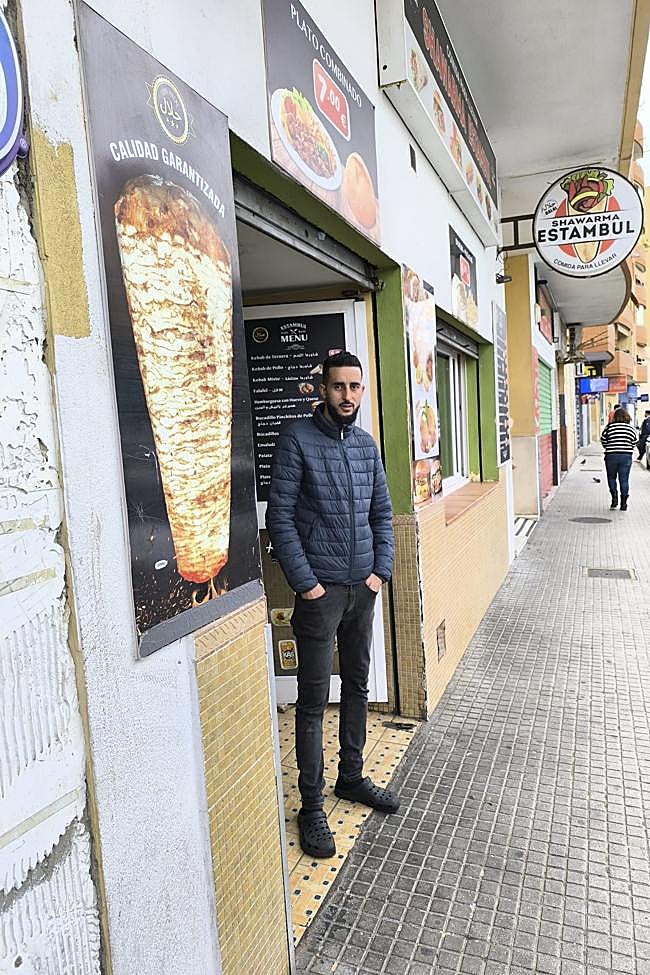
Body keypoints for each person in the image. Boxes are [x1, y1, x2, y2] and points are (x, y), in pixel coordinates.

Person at [267, 351, 397, 859]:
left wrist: (377, 574)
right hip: (319, 595)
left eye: (355, 387)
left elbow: (382, 513)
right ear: (323, 388)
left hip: (360, 592)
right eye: (339, 387)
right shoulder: (297, 439)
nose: (348, 396)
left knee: (360, 686)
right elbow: (280, 518)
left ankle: (351, 777)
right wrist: (307, 585)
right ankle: (312, 806)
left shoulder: (366, 447)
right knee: (313, 702)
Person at [601, 407, 638, 510]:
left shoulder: (609, 427)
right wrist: (628, 447)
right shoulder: (630, 428)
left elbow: (603, 439)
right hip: (626, 456)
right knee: (624, 480)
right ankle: (624, 503)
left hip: (611, 456)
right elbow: (635, 441)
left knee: (611, 478)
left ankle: (614, 499)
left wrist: (609, 447)